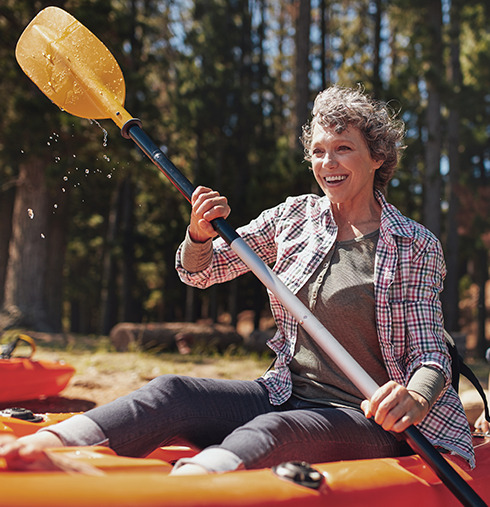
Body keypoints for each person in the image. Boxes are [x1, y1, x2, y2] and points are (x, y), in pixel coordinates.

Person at [0, 85, 475, 473]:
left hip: (369, 418)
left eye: (344, 149)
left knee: (273, 435)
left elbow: (430, 351)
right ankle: (46, 447)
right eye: (318, 152)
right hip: (284, 393)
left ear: (377, 158)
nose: (327, 163)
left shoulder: (413, 243)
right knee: (172, 392)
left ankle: (187, 488)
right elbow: (200, 272)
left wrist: (416, 396)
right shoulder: (295, 217)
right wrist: (199, 235)